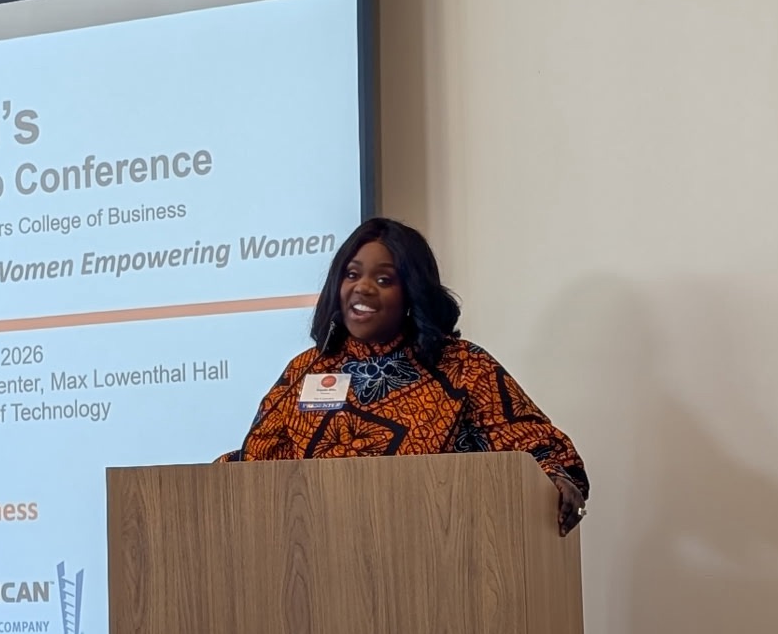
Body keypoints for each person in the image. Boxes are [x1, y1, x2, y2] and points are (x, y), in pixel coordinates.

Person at [222, 218, 588, 534]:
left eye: (383, 279)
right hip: (313, 568)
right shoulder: (307, 370)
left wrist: (556, 478)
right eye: (352, 274)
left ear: (411, 292)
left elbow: (536, 449)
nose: (362, 287)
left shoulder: (462, 368)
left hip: (431, 571)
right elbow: (256, 471)